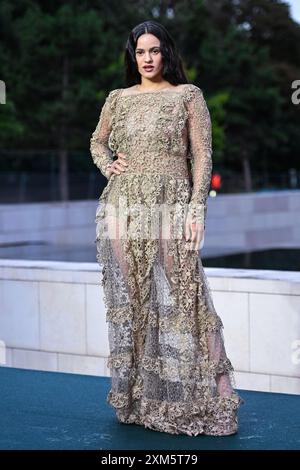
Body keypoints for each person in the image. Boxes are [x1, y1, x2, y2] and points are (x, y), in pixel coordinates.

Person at [90, 20, 243, 436]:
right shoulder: (118, 98)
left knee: (186, 292)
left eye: (154, 50)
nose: (147, 59)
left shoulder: (187, 96)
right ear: (132, 56)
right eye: (140, 52)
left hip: (171, 202)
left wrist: (197, 210)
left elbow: (202, 155)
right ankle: (141, 397)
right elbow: (97, 141)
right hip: (123, 204)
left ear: (166, 53)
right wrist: (108, 165)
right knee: (136, 298)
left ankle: (220, 393)